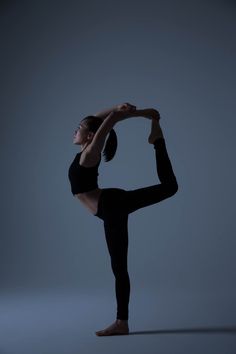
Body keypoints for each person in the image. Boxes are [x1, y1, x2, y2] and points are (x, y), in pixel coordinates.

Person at [68, 103, 178, 336]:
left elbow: (111, 121)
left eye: (78, 128)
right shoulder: (86, 146)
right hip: (110, 204)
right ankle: (157, 140)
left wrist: (143, 114)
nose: (74, 130)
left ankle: (121, 322)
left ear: (89, 135)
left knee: (119, 268)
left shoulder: (91, 152)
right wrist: (117, 106)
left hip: (112, 207)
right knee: (169, 188)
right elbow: (98, 118)